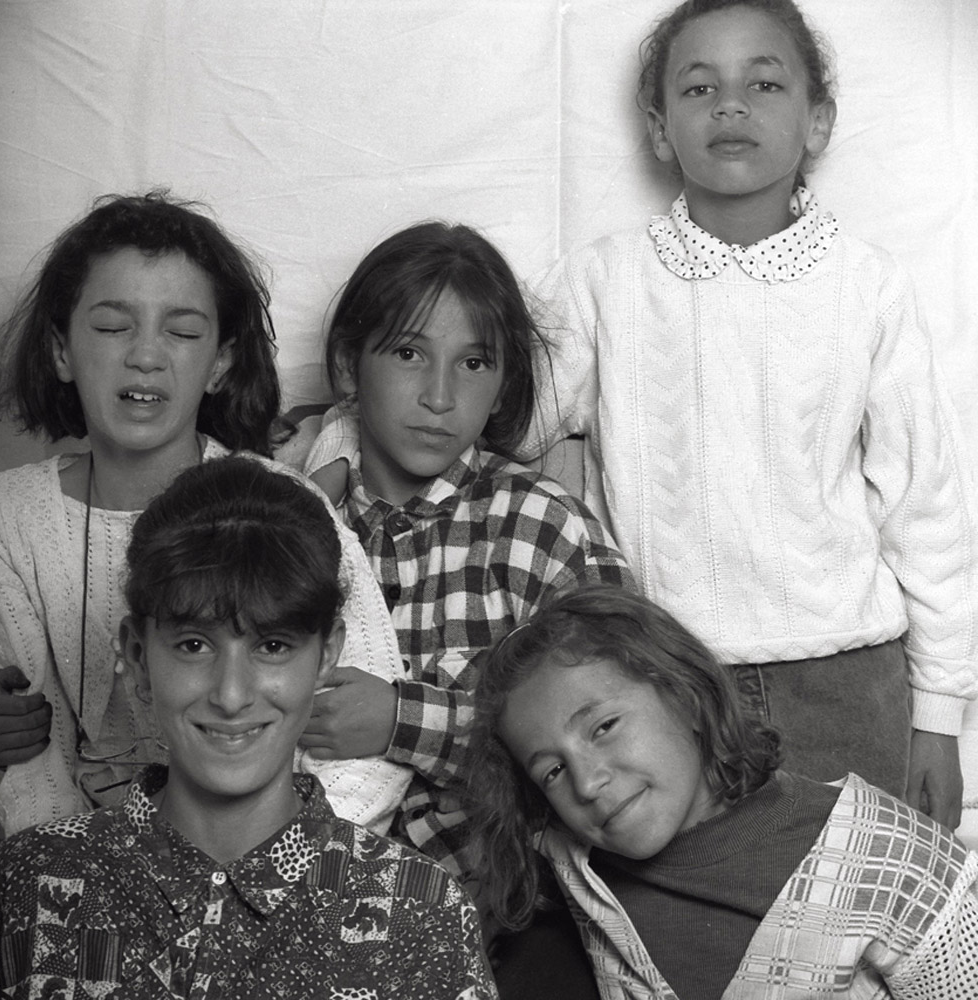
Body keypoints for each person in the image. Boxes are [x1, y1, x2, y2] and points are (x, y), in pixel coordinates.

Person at [513, 0, 975, 827]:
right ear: (661, 130)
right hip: (659, 681)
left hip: (845, 679)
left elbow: (927, 509)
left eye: (764, 83)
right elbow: (495, 419)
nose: (731, 105)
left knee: (850, 901)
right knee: (687, 906)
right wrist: (344, 426)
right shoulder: (603, 282)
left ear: (817, 120)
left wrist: (939, 715)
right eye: (699, 88)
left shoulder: (867, 285)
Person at [0, 457, 494, 999]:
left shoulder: (421, 911)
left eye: (272, 646)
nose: (230, 695)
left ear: (326, 656)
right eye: (193, 645)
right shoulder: (31, 880)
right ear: (138, 655)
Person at [0, 191, 409, 838]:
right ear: (61, 349)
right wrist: (94, 877)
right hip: (94, 862)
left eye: (180, 332)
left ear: (221, 363)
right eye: (113, 326)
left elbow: (364, 750)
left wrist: (273, 868)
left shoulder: (283, 506)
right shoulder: (10, 517)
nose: (146, 355)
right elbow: (37, 764)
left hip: (279, 850)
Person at [300, 221, 632, 996]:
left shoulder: (540, 524)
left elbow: (618, 740)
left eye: (474, 363)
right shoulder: (303, 523)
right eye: (408, 354)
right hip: (317, 919)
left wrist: (400, 720)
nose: (440, 396)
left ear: (504, 383)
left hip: (513, 917)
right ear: (349, 365)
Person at [468, 583, 978, 999]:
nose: (587, 782)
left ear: (685, 695)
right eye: (553, 771)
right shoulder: (575, 870)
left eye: (603, 727)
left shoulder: (898, 864)